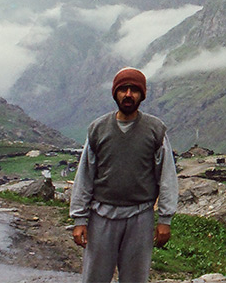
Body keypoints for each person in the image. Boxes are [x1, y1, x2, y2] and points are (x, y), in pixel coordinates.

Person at [70, 67, 178, 283]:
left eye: (134, 90)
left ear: (142, 95)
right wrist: (79, 219)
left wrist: (165, 219)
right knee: (94, 278)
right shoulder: (98, 129)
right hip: (102, 215)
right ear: (115, 93)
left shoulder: (155, 130)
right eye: (123, 89)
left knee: (135, 279)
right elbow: (85, 176)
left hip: (140, 216)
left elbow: (167, 178)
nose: (128, 94)